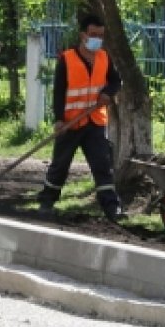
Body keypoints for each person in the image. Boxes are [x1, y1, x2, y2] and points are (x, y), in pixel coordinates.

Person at [36, 13, 123, 219]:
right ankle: (47, 201)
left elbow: (116, 81)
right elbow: (59, 91)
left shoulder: (104, 58)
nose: (98, 40)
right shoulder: (67, 59)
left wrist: (107, 94)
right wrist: (59, 119)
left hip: (95, 122)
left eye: (101, 36)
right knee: (60, 165)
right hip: (71, 122)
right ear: (83, 35)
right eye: (94, 35)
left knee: (102, 166)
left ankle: (112, 208)